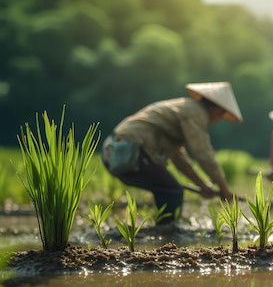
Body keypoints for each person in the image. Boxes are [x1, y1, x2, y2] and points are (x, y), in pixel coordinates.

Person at [101, 82, 243, 225]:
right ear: (218, 110)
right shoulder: (196, 112)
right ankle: (167, 233)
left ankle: (161, 230)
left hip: (113, 150)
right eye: (222, 115)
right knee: (172, 192)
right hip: (130, 151)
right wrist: (224, 189)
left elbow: (179, 159)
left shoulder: (184, 108)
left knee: (166, 188)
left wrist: (203, 186)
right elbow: (203, 152)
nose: (219, 119)